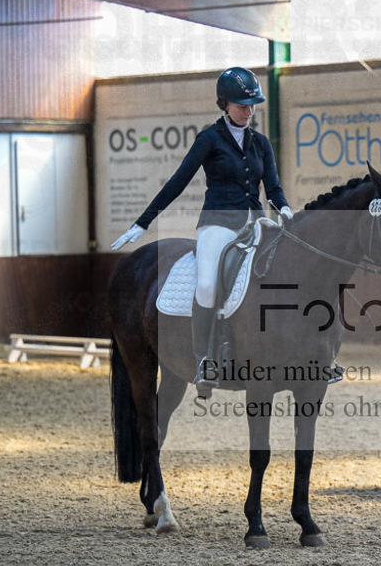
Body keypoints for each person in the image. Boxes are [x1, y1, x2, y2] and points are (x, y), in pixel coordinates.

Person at [111, 66, 292, 397]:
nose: (250, 111)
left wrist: (286, 211)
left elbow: (274, 188)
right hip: (218, 223)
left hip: (256, 222)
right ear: (225, 104)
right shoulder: (210, 139)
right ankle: (204, 359)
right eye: (242, 105)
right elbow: (178, 182)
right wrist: (143, 222)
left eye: (253, 105)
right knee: (207, 284)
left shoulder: (261, 143)